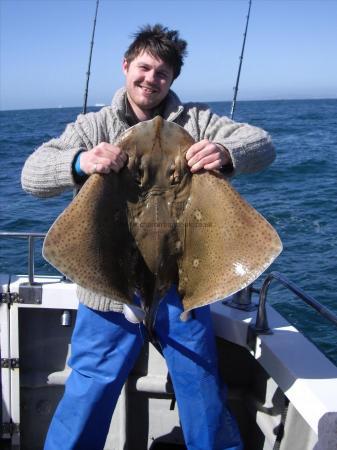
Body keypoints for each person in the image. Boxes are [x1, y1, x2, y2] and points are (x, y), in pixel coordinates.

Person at [22, 24, 275, 450]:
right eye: (143, 68)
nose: (150, 79)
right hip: (110, 289)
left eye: (162, 73)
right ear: (126, 66)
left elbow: (262, 144)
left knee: (200, 387)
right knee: (90, 389)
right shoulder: (96, 124)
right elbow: (32, 175)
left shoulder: (197, 121)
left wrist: (227, 152)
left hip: (183, 286)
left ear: (172, 79)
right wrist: (82, 160)